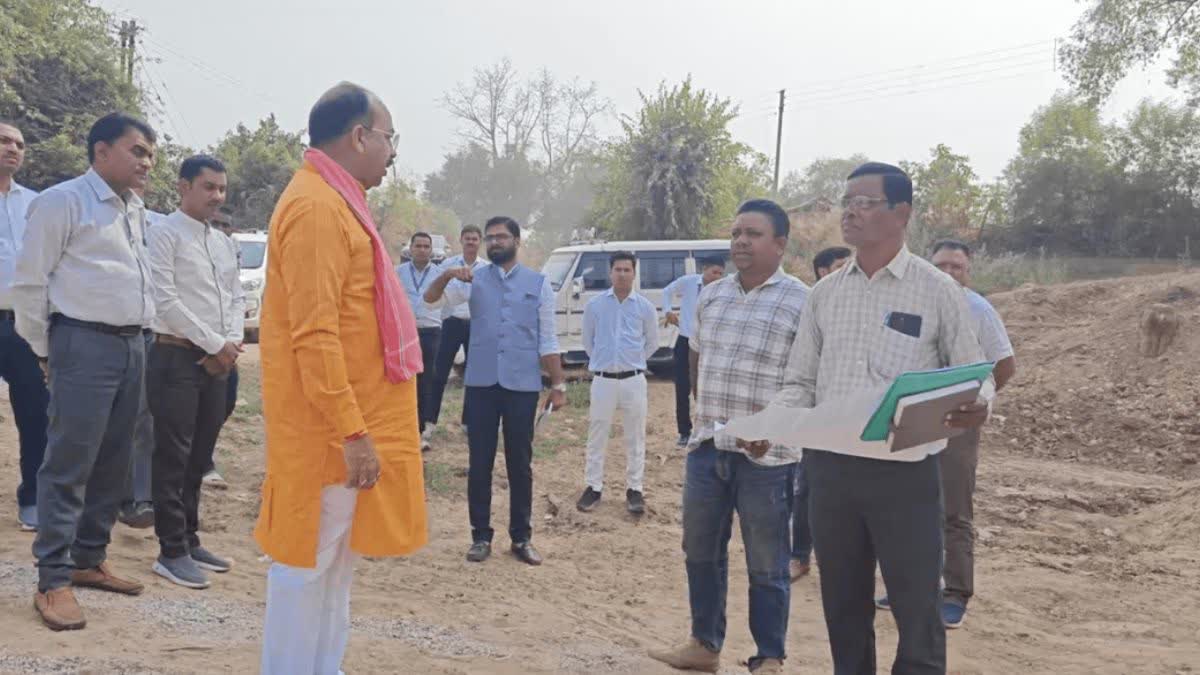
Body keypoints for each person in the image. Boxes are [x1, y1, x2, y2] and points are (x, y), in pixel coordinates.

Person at [778, 163, 993, 674]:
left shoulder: (937, 290)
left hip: (905, 472)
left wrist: (980, 401)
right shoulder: (825, 295)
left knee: (917, 607)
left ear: (902, 213)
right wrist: (775, 425)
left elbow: (974, 371)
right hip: (831, 471)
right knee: (844, 607)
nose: (850, 211)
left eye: (865, 201)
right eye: (846, 200)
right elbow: (799, 382)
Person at [256, 82, 428, 674]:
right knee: (306, 569)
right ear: (359, 136)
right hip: (329, 435)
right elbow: (314, 335)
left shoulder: (338, 201)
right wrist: (352, 431)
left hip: (349, 428)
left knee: (332, 569)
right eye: (389, 138)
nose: (392, 152)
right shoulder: (317, 207)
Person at [648, 199, 808, 675]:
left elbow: (807, 382)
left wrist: (772, 427)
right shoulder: (712, 296)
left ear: (780, 244)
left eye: (753, 233)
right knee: (700, 551)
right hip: (707, 448)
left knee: (767, 562)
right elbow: (697, 355)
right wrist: (704, 413)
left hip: (769, 458)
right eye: (736, 232)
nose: (740, 240)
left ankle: (769, 656)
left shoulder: (803, 301)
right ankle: (704, 644)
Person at [14, 112, 158, 630]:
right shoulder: (63, 201)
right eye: (137, 151)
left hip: (133, 345)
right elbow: (30, 283)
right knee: (69, 461)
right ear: (101, 151)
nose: (147, 163)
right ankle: (52, 579)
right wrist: (46, 351)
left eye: (150, 155)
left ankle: (87, 558)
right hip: (82, 343)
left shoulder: (135, 209)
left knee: (115, 461)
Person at [877, 238, 1014, 629]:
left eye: (958, 266)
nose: (950, 273)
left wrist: (976, 402)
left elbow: (1004, 366)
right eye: (943, 265)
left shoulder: (979, 309)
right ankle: (911, 585)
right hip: (914, 423)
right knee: (907, 507)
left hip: (957, 424)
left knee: (954, 511)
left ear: (968, 272)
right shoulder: (914, 302)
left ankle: (955, 593)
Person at [424, 216, 566, 566]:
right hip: (482, 384)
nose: (494, 242)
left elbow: (548, 338)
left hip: (521, 385)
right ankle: (480, 536)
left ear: (517, 241)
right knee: (479, 463)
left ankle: (521, 537)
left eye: (501, 237)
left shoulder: (539, 283)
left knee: (520, 464)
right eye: (490, 238)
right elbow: (429, 301)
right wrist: (445, 274)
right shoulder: (472, 279)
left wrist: (558, 384)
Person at [145, 155, 244, 589]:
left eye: (221, 188)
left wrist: (231, 343)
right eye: (208, 187)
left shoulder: (221, 242)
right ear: (183, 187)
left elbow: (235, 296)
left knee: (200, 455)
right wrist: (214, 343)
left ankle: (190, 537)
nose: (217, 196)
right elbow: (164, 301)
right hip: (176, 358)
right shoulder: (163, 234)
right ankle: (170, 550)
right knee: (173, 454)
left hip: (219, 362)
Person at [789, 245, 854, 582]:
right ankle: (800, 556)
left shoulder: (864, 307)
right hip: (816, 418)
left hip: (855, 418)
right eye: (842, 266)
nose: (851, 271)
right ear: (822, 273)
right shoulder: (810, 307)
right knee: (807, 490)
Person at [575, 251, 658, 516]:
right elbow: (589, 342)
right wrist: (605, 361)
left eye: (627, 270)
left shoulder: (644, 307)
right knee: (597, 434)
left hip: (634, 380)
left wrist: (632, 361)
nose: (622, 274)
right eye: (618, 269)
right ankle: (593, 487)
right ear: (610, 272)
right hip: (603, 381)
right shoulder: (595, 305)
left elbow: (652, 342)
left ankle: (635, 489)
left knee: (635, 436)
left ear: (634, 273)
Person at [0, 120, 48, 533]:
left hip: (20, 324)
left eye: (18, 143)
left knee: (35, 413)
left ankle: (32, 498)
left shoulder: (35, 204)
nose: (12, 148)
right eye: (3, 140)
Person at [117, 193, 166, 530]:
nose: (144, 164)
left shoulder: (157, 225)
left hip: (146, 334)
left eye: (149, 155)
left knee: (143, 419)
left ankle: (140, 498)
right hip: (93, 334)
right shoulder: (72, 208)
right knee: (104, 422)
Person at [427, 225, 487, 439]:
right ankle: (429, 422)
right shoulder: (447, 265)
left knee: (473, 376)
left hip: (476, 325)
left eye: (475, 238)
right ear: (461, 240)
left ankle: (469, 422)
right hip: (450, 323)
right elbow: (434, 294)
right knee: (438, 374)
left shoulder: (487, 269)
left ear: (480, 242)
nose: (471, 242)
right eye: (467, 238)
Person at [661, 258, 725, 448]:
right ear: (704, 269)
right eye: (714, 272)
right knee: (682, 387)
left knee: (712, 387)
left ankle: (715, 431)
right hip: (686, 340)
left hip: (710, 343)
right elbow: (667, 291)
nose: (718, 277)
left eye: (721, 273)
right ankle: (684, 432)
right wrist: (667, 311)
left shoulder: (723, 288)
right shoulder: (689, 282)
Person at [396, 231, 443, 451]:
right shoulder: (397, 273)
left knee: (427, 381)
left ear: (431, 251)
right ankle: (405, 426)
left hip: (430, 332)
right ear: (410, 248)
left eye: (426, 246)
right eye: (419, 246)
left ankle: (423, 429)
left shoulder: (440, 274)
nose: (423, 250)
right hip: (406, 333)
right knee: (405, 379)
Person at [202, 209, 238, 489]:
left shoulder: (227, 250)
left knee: (222, 406)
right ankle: (202, 464)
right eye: (217, 223)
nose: (221, 228)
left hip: (227, 348)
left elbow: (236, 296)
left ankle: (203, 457)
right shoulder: (181, 241)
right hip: (190, 345)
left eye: (226, 225)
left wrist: (234, 339)